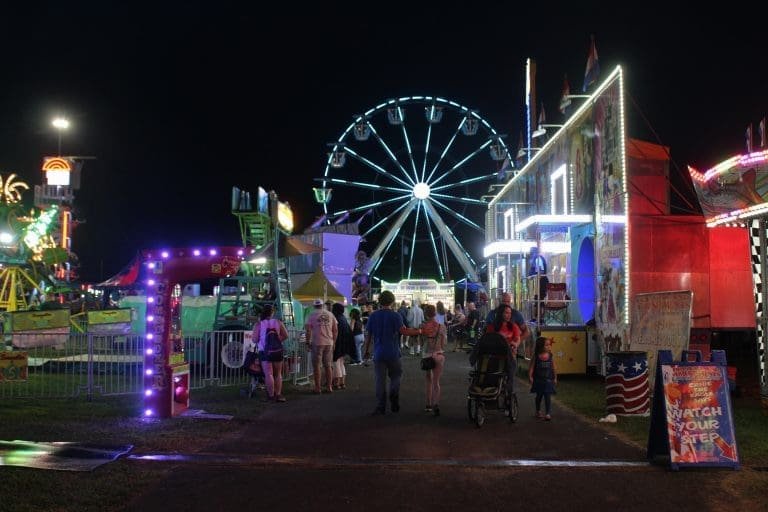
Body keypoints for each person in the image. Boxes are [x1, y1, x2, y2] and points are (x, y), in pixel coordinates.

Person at [362, 290, 422, 415]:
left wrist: (367, 351)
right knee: (396, 377)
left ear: (379, 301)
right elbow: (404, 332)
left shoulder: (373, 316)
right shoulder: (396, 316)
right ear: (392, 301)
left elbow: (368, 336)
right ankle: (394, 395)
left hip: (378, 353)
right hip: (393, 352)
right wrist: (420, 331)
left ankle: (381, 406)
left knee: (380, 380)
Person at [254, 303, 289, 402]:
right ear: (272, 312)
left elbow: (254, 339)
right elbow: (286, 335)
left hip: (264, 352)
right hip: (277, 350)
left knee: (268, 374)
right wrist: (277, 341)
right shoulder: (278, 322)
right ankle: (278, 395)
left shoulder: (259, 324)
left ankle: (270, 396)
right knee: (278, 374)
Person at [484, 303, 521, 394]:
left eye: (510, 313)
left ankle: (509, 390)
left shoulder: (513, 326)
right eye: (506, 313)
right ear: (501, 313)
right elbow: (488, 340)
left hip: (509, 354)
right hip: (495, 355)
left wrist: (515, 344)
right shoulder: (492, 327)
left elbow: (518, 339)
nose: (509, 315)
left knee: (510, 370)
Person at [305, 298, 338, 394]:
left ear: (314, 306)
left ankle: (318, 388)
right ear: (323, 305)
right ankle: (329, 387)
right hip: (329, 343)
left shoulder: (311, 315)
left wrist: (307, 342)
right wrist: (334, 342)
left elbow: (308, 330)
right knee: (328, 365)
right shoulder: (330, 314)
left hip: (317, 343)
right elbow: (335, 330)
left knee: (317, 366)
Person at [420, 304, 447, 416]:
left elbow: (422, 343)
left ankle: (428, 404)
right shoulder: (441, 327)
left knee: (428, 380)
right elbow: (443, 344)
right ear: (435, 313)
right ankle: (436, 404)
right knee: (436, 382)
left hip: (427, 355)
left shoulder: (423, 326)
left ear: (426, 314)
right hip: (438, 355)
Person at [529, 336, 557, 420]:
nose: (549, 346)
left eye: (549, 345)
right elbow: (532, 367)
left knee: (547, 396)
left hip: (548, 380)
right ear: (541, 346)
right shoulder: (536, 356)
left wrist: (555, 377)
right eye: (547, 345)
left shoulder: (550, 355)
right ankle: (538, 411)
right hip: (538, 380)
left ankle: (548, 413)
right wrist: (530, 376)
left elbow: (554, 367)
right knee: (539, 396)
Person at [331, 302, 356, 389]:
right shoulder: (343, 319)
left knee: (336, 363)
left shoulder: (336, 319)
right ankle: (342, 383)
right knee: (341, 363)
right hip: (344, 344)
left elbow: (335, 332)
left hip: (338, 344)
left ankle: (337, 383)